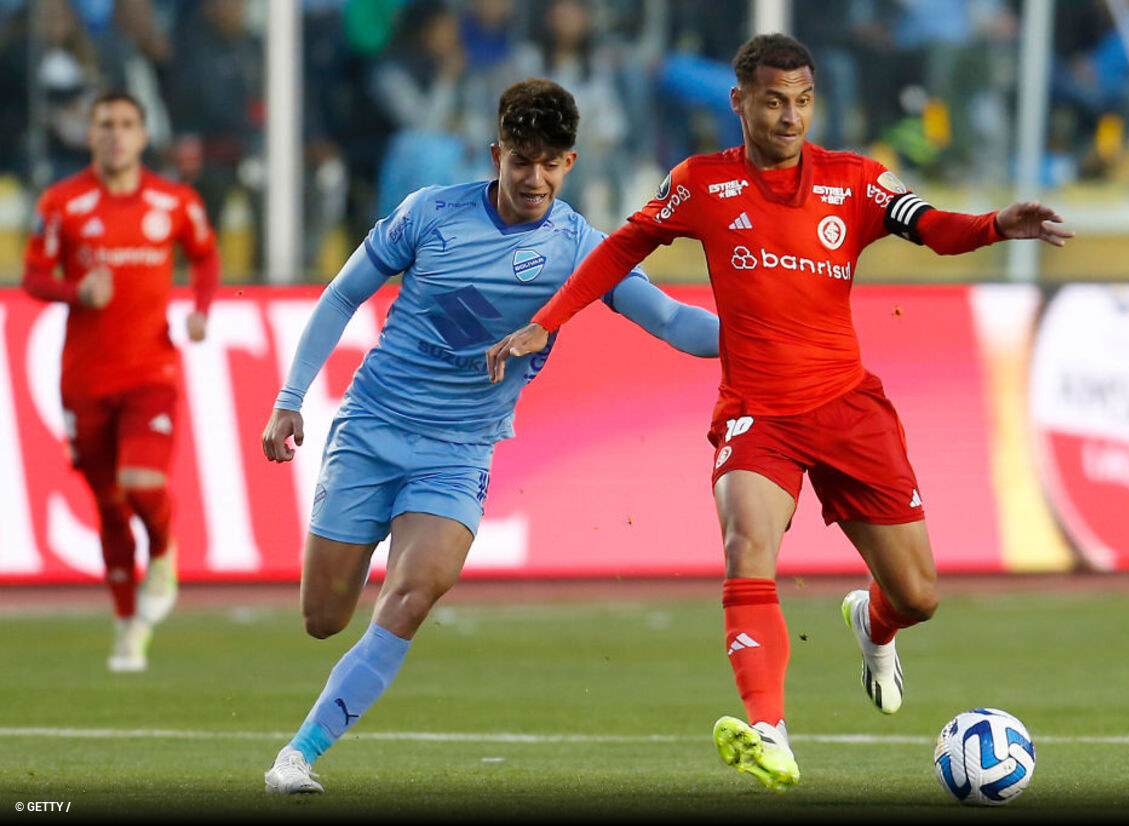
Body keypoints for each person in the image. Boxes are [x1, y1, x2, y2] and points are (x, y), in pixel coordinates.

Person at [487, 33, 1073, 793]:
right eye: (772, 102)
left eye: (801, 102)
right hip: (756, 411)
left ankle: (874, 624)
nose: (789, 117)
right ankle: (770, 729)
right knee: (745, 542)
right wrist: (549, 320)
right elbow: (619, 250)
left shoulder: (855, 181)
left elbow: (932, 227)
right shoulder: (700, 183)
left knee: (919, 597)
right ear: (740, 102)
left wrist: (996, 224)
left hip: (848, 409)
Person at [259, 78, 718, 795]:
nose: (534, 178)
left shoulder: (581, 250)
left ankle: (298, 756)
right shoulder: (429, 214)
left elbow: (669, 321)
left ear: (571, 164)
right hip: (373, 427)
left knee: (413, 595)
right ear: (496, 153)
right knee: (323, 617)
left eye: (551, 163)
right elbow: (344, 293)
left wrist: (771, 331)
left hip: (458, 450)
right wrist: (290, 399)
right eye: (521, 160)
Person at [22, 89, 220, 672]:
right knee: (108, 505)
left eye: (127, 124)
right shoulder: (62, 203)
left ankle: (162, 551)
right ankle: (127, 627)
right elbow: (34, 274)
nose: (115, 134)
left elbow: (204, 256)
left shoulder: (175, 201)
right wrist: (74, 291)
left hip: (150, 370)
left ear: (142, 134)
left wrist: (203, 307)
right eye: (105, 124)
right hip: (82, 379)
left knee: (140, 483)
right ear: (90, 135)